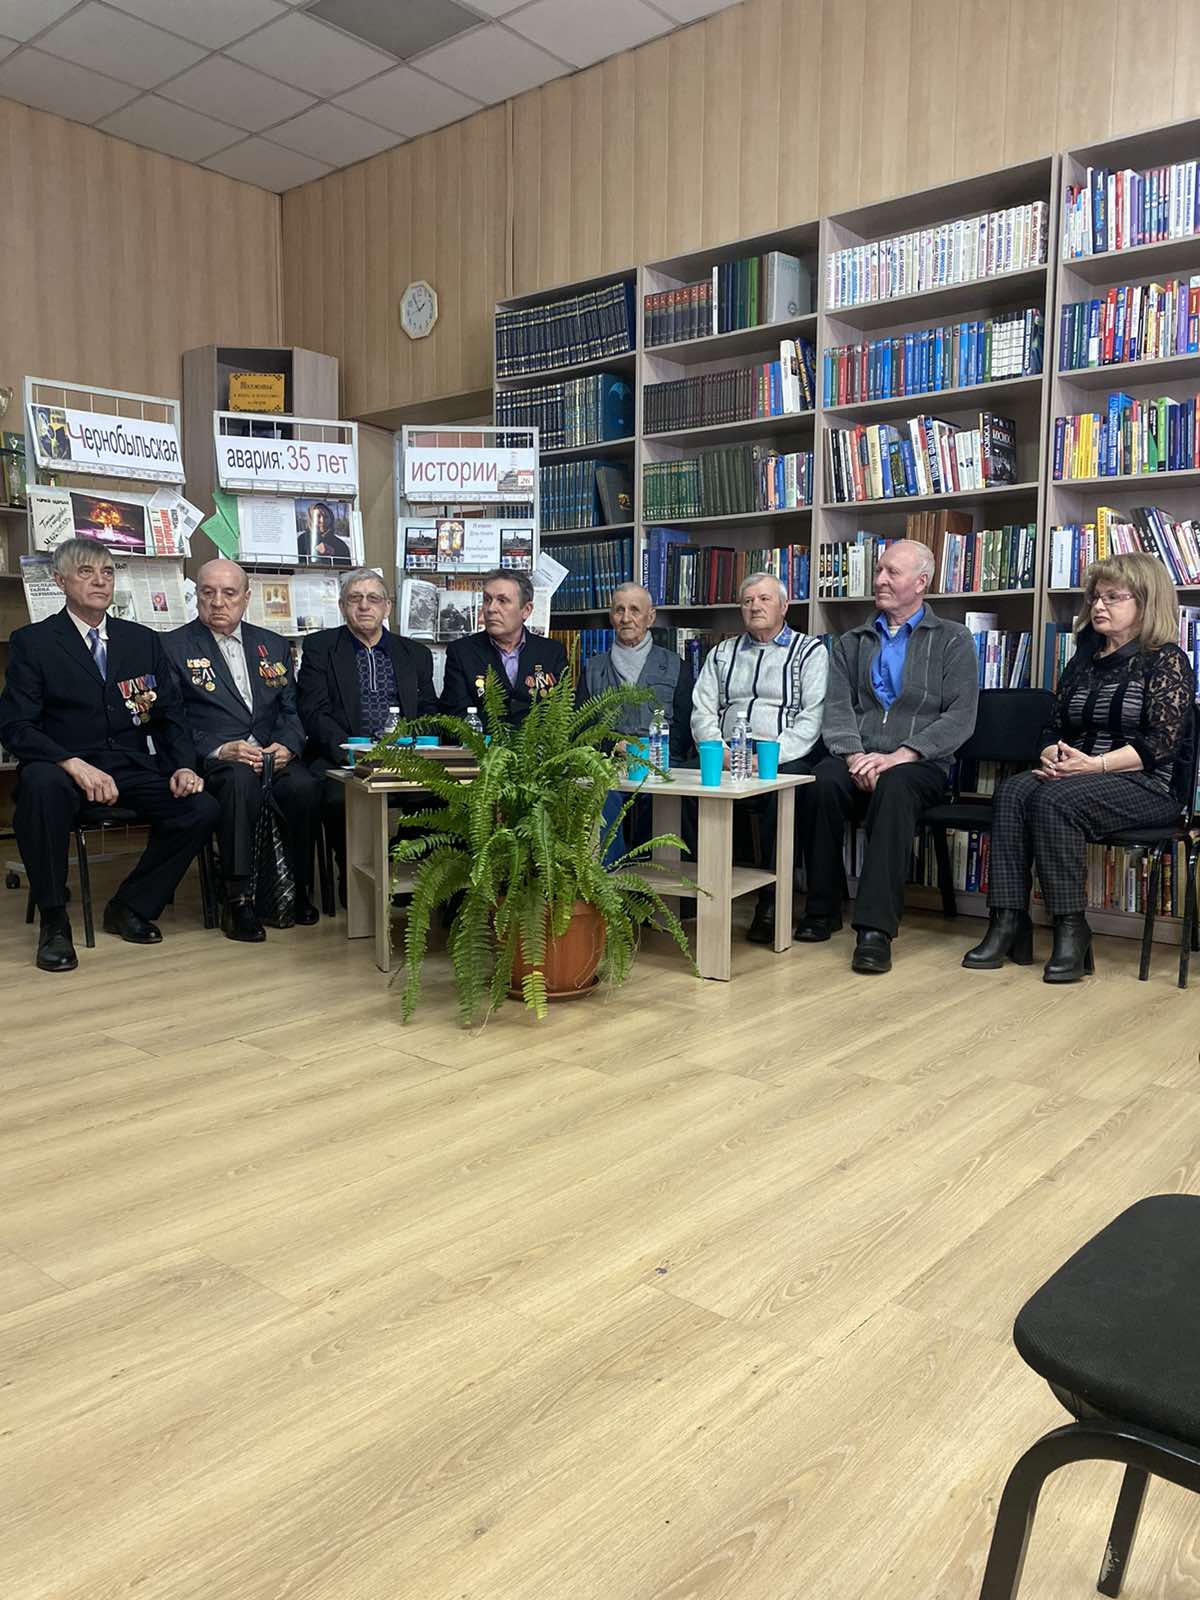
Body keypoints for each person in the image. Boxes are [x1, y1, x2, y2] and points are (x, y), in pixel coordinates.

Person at [964, 552, 1193, 983]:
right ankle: (1008, 921)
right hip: (1078, 775)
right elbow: (1053, 727)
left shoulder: (1166, 660)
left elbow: (1161, 745)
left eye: (1112, 597)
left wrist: (1095, 765)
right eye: (1095, 597)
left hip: (1147, 785)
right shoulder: (1083, 660)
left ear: (1146, 601)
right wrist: (1051, 753)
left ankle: (1071, 927)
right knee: (1012, 791)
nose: (1098, 606)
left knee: (1055, 800)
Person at [0, 537, 217, 972]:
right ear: (60, 581)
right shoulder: (33, 642)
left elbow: (170, 715)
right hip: (64, 768)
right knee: (40, 786)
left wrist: (182, 765)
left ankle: (131, 906)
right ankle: (54, 921)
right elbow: (15, 726)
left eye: (107, 572)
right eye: (86, 572)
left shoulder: (143, 641)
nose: (100, 581)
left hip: (129, 767)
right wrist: (71, 762)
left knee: (200, 807)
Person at [799, 539, 979, 974]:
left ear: (921, 582)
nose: (879, 579)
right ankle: (822, 909)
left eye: (891, 572)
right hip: (858, 756)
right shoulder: (851, 642)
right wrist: (854, 757)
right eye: (878, 570)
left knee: (896, 788)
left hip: (921, 765)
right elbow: (836, 708)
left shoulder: (953, 639)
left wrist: (901, 755)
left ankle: (874, 931)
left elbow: (961, 716)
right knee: (819, 782)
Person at [162, 559, 322, 942]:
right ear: (197, 596)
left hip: (270, 756)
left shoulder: (274, 644)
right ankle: (238, 899)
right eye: (208, 592)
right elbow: (172, 720)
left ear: (246, 598)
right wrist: (219, 749)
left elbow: (290, 709)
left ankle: (296, 887)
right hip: (218, 762)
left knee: (304, 786)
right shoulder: (171, 646)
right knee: (238, 782)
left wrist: (288, 746)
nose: (218, 602)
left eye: (229, 593)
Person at [691, 572, 828, 943]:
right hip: (724, 753)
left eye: (764, 599)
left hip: (783, 755)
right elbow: (703, 709)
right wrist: (718, 750)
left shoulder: (810, 651)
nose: (755, 606)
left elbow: (812, 718)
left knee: (781, 794)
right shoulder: (722, 653)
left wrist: (767, 759)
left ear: (784, 606)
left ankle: (770, 902)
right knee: (682, 786)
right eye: (748, 600)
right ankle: (693, 896)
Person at [297, 567, 440, 891]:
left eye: (373, 599)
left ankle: (400, 861)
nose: (364, 606)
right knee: (338, 798)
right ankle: (351, 874)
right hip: (342, 758)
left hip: (406, 756)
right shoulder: (320, 647)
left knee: (439, 794)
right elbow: (313, 711)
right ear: (342, 606)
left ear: (387, 607)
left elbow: (429, 710)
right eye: (355, 598)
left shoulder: (415, 654)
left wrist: (413, 748)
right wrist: (353, 753)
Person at [585, 581, 695, 857]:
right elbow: (581, 726)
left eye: (635, 610)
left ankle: (648, 873)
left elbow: (684, 728)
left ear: (651, 617)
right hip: (609, 764)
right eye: (619, 610)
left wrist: (654, 754)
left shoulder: (676, 666)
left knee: (659, 797)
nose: (626, 618)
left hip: (661, 762)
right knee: (601, 795)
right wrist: (611, 747)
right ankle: (609, 875)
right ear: (611, 616)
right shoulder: (593, 668)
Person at [441, 569, 570, 727]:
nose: (491, 609)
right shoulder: (461, 652)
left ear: (526, 610)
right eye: (487, 600)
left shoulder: (552, 652)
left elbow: (561, 714)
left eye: (502, 601)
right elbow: (456, 718)